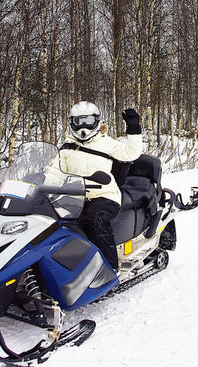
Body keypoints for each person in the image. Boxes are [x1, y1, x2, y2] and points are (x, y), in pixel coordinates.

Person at [59, 101, 142, 269]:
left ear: (96, 121)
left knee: (95, 218)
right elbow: (56, 173)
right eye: (78, 121)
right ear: (71, 123)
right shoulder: (67, 147)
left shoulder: (105, 143)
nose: (83, 126)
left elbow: (131, 153)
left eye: (87, 121)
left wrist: (133, 129)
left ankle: (109, 266)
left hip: (104, 195)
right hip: (75, 196)